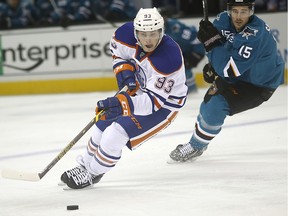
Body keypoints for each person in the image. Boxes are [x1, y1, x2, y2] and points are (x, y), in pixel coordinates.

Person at [60, 7, 188, 189]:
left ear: (162, 32)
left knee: (115, 133)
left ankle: (93, 173)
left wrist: (121, 104)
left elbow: (152, 103)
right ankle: (84, 165)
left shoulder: (169, 57)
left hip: (165, 105)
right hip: (141, 90)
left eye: (153, 34)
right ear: (136, 32)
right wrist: (125, 74)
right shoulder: (124, 34)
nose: (149, 40)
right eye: (144, 34)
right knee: (101, 123)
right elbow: (119, 54)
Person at [169, 0, 284, 162]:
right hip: (240, 75)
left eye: (243, 11)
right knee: (207, 103)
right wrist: (212, 62)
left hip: (258, 85)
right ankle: (199, 141)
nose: (238, 16)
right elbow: (219, 47)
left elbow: (229, 70)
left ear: (251, 11)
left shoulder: (255, 35)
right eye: (235, 11)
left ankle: (196, 146)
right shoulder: (222, 20)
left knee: (215, 107)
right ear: (229, 10)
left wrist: (211, 45)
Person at [159, 6, 205, 93]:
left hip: (182, 57)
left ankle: (192, 94)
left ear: (166, 17)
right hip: (168, 59)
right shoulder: (151, 31)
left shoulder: (176, 29)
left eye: (162, 16)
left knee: (184, 69)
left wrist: (197, 54)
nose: (160, 20)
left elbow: (196, 38)